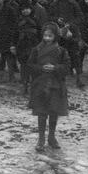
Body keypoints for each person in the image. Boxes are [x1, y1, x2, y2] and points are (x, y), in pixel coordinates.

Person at [27, 23, 70, 152]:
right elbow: (29, 64)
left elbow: (67, 67)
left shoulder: (61, 51)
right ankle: (41, 138)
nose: (47, 38)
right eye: (45, 35)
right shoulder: (37, 49)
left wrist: (56, 68)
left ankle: (51, 137)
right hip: (40, 84)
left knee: (53, 111)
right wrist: (40, 68)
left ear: (55, 36)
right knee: (41, 112)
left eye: (50, 36)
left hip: (56, 85)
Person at [16, 1, 40, 94]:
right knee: (23, 65)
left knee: (32, 65)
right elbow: (15, 33)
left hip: (33, 45)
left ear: (31, 9)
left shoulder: (35, 20)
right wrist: (13, 45)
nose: (25, 11)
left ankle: (33, 85)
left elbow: (40, 32)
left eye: (27, 9)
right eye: (23, 9)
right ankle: (24, 84)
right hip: (21, 45)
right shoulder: (18, 20)